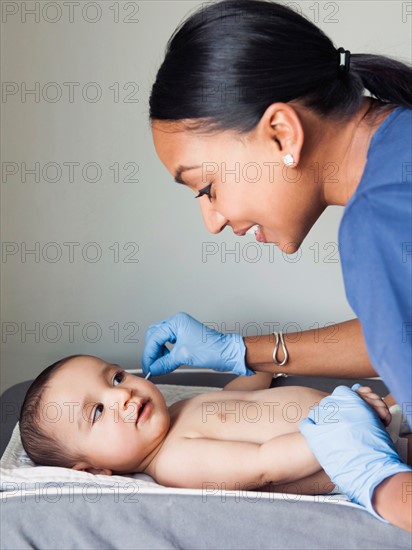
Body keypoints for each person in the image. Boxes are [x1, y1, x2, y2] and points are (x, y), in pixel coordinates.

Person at [144, 0, 412, 531]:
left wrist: (376, 482)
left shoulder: (379, 225)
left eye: (206, 186)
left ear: (282, 133)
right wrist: (245, 354)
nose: (212, 220)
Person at [19, 354, 409, 501]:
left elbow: (237, 396)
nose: (121, 395)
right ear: (93, 470)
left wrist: (250, 362)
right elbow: (264, 464)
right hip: (348, 456)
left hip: (354, 419)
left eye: (116, 378)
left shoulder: (178, 411)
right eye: (97, 412)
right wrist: (341, 427)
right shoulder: (175, 463)